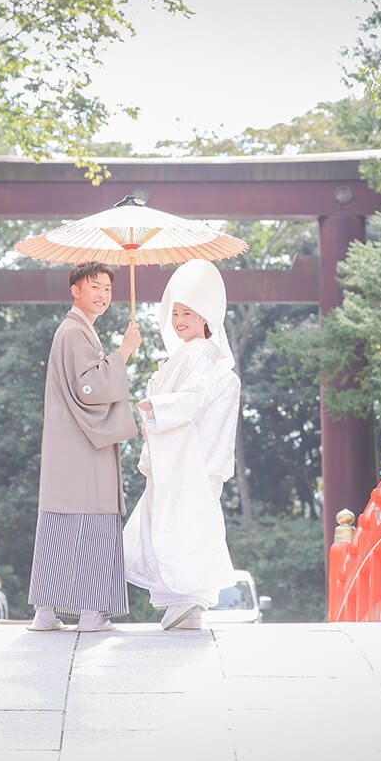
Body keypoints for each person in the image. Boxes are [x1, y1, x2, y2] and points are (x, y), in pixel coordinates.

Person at [123, 259, 240, 630]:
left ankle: (186, 601)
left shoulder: (196, 356)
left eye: (188, 313)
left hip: (185, 458)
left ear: (206, 317)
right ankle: (185, 603)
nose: (179, 320)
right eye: (175, 313)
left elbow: (193, 398)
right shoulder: (199, 356)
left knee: (175, 523)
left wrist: (156, 407)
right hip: (191, 456)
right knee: (185, 524)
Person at [28, 261, 142, 632]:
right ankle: (92, 612)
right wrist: (124, 352)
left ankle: (46, 611)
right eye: (95, 286)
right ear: (74, 289)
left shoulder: (77, 331)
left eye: (108, 288)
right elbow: (89, 388)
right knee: (93, 521)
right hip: (82, 447)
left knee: (60, 524)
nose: (103, 295)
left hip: (71, 446)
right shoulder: (75, 332)